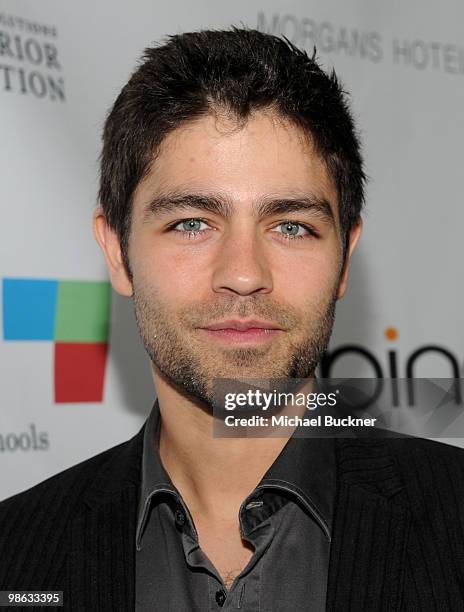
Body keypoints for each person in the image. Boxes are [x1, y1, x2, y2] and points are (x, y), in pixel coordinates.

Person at [0, 27, 463, 612]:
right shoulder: (15, 555)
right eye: (192, 223)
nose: (244, 274)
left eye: (291, 225)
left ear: (345, 255)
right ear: (117, 252)